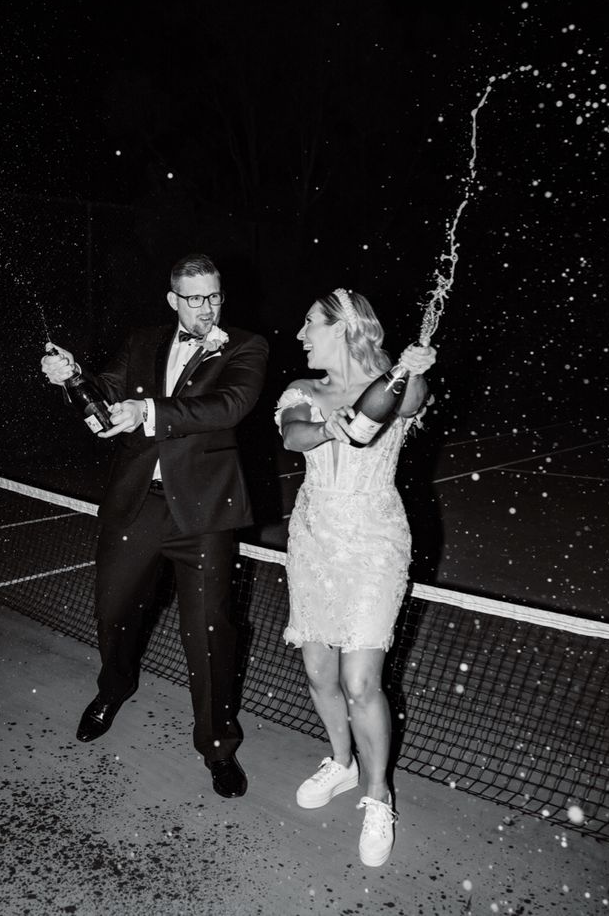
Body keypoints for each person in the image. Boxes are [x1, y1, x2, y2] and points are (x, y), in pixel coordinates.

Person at [40, 253, 268, 799]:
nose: (207, 307)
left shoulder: (245, 345)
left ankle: (217, 745)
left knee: (210, 634)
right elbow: (107, 391)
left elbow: (229, 404)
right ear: (173, 301)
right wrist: (74, 378)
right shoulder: (142, 342)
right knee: (113, 608)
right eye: (195, 298)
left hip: (206, 514)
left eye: (214, 295)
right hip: (138, 503)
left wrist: (149, 413)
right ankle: (114, 686)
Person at [275, 288, 436, 866]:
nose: (300, 335)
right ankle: (341, 764)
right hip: (314, 539)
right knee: (319, 671)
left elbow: (410, 400)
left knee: (361, 680)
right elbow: (294, 433)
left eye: (309, 325)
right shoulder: (302, 391)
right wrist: (329, 429)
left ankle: (377, 795)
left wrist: (411, 368)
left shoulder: (390, 385)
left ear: (343, 328)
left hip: (374, 542)